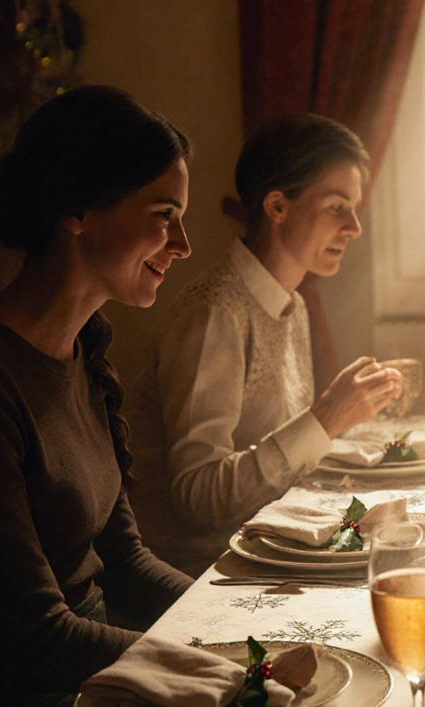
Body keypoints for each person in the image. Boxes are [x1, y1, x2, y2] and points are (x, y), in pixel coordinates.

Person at [0, 86, 195, 707]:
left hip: (99, 665)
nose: (183, 244)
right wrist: (201, 666)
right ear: (77, 208)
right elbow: (37, 636)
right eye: (164, 215)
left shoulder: (85, 351)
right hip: (37, 698)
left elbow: (124, 558)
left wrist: (237, 621)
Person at [127, 114, 403, 576]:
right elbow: (198, 499)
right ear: (277, 206)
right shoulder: (215, 313)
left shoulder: (290, 302)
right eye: (337, 207)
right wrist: (326, 418)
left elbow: (279, 462)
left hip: (271, 550)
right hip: (206, 574)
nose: (354, 226)